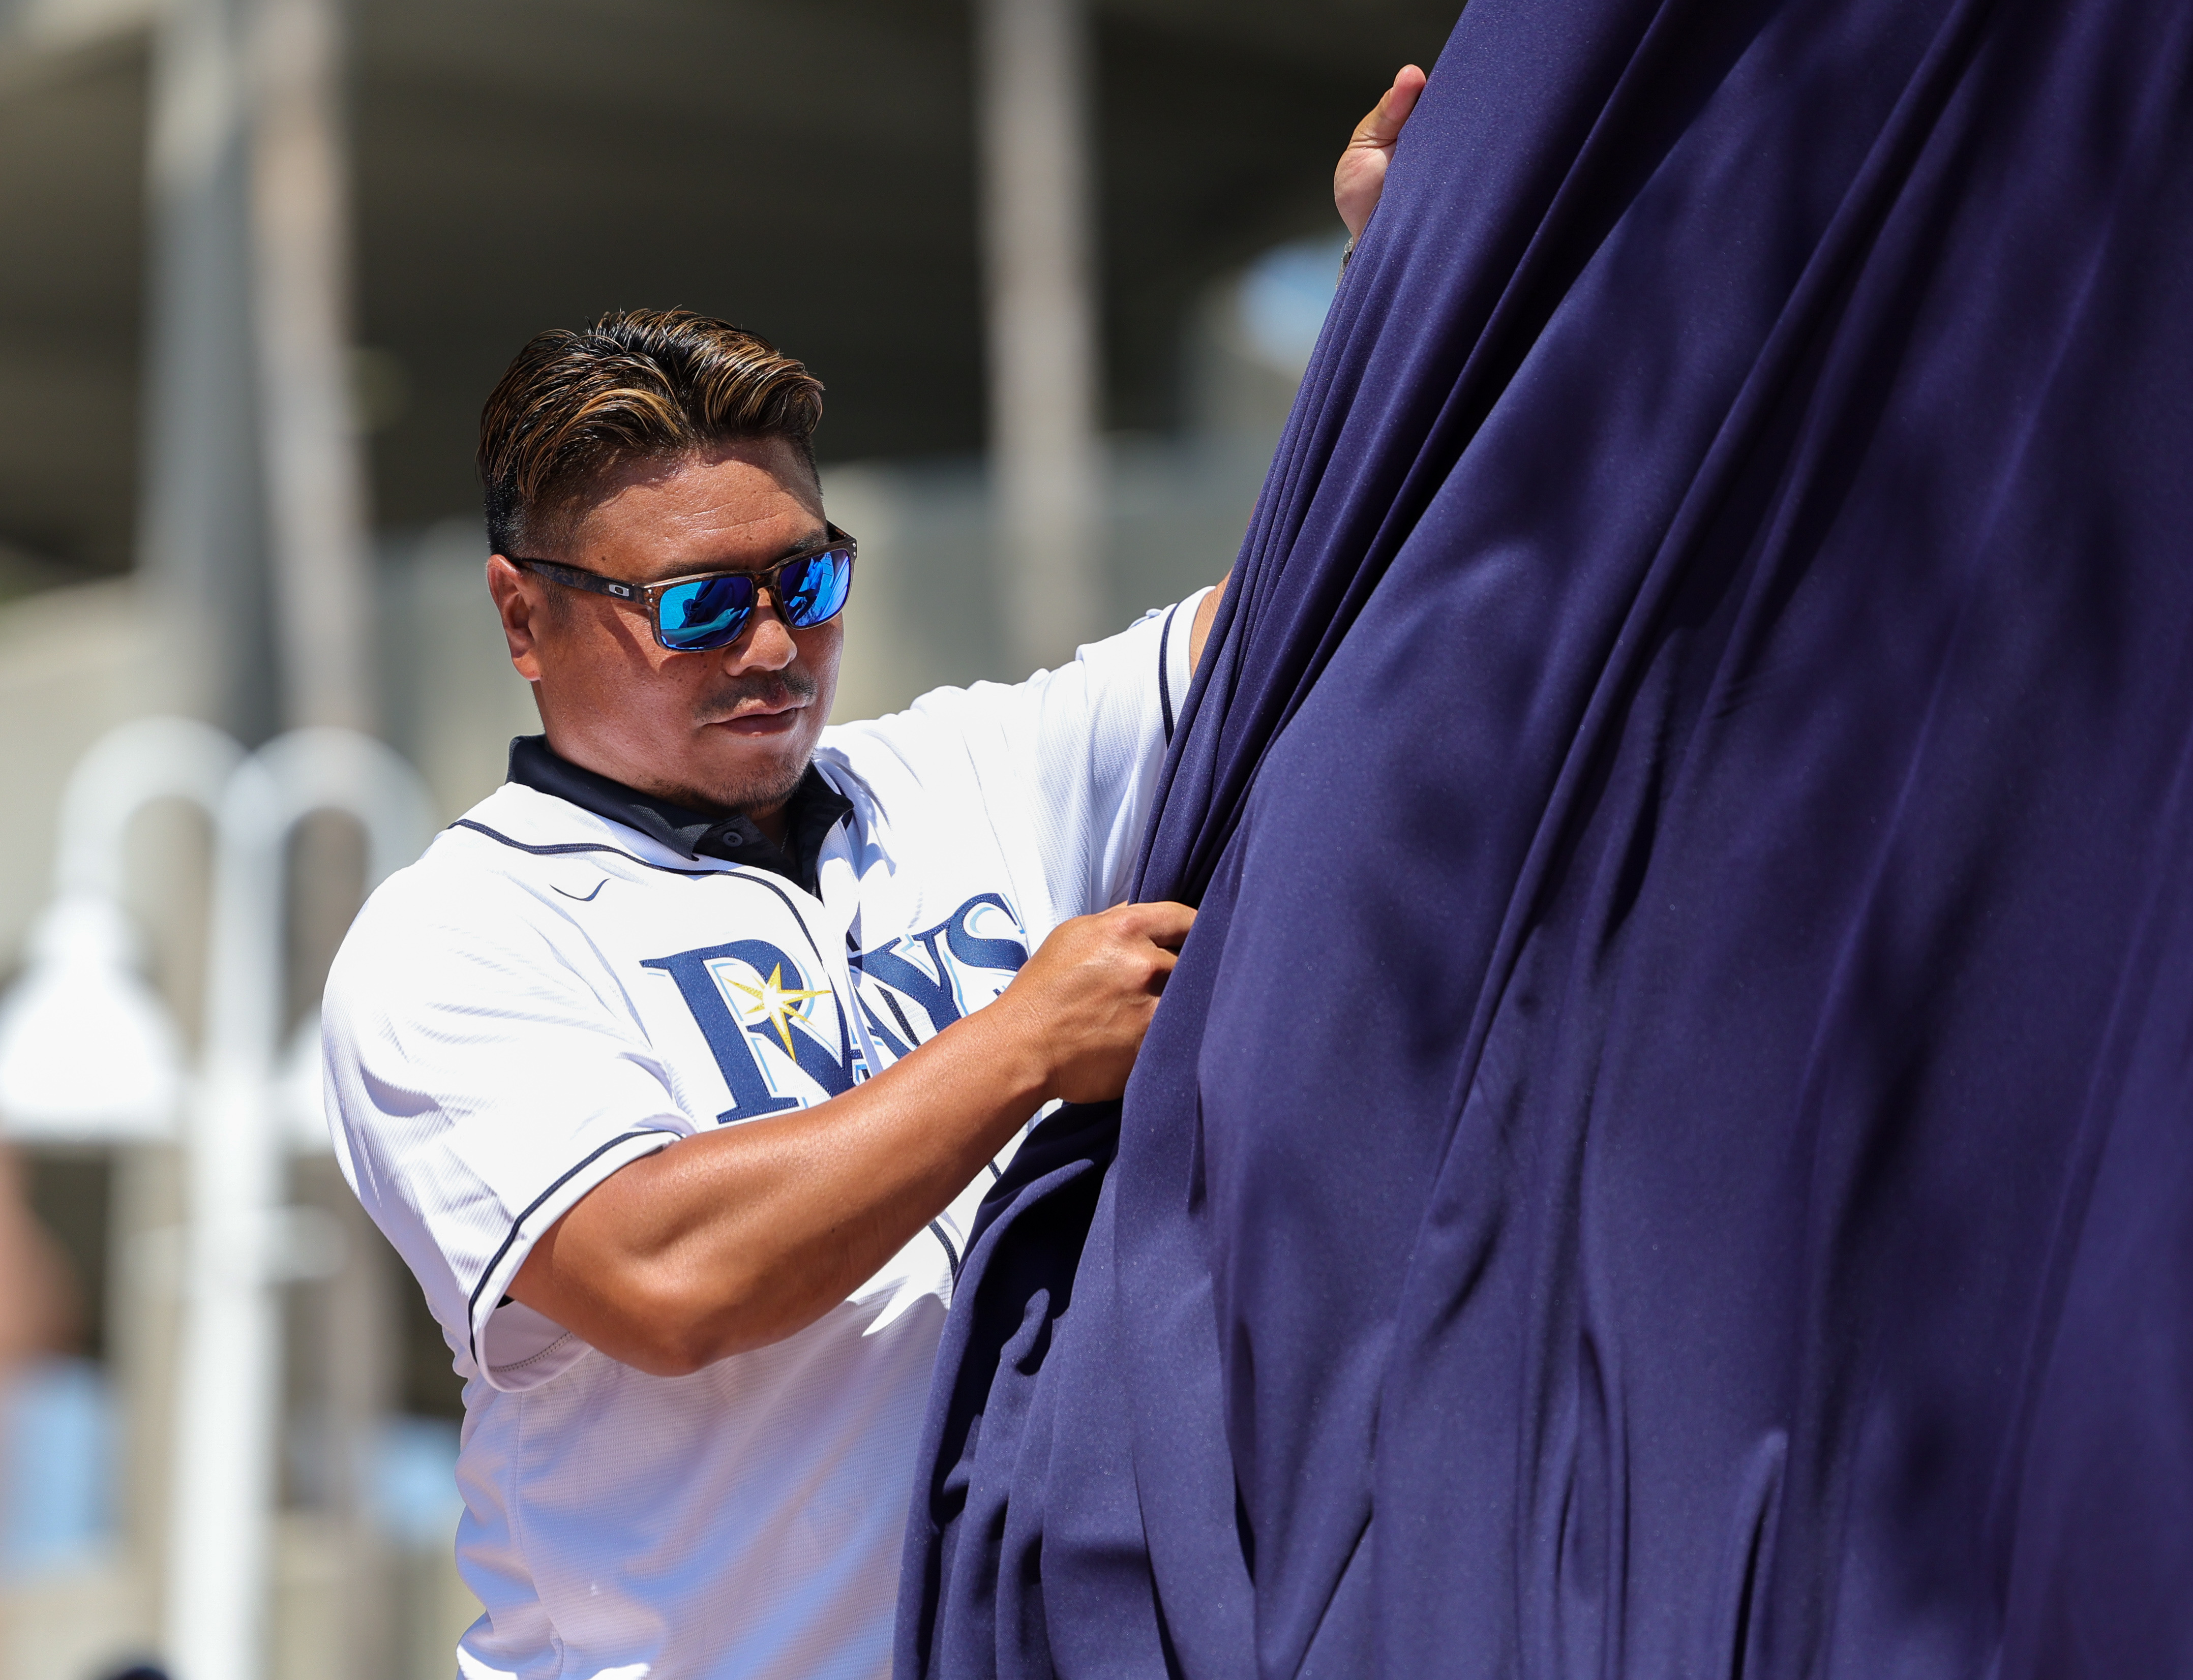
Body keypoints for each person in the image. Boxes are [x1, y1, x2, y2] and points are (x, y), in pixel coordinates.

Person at [322, 66, 1423, 1680]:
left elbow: (1314, 611)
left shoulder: (964, 773)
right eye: (701, 605)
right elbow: (662, 1273)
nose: (775, 645)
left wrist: (1398, 285)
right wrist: (1021, 1047)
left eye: (807, 579)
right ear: (523, 618)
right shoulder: (456, 937)